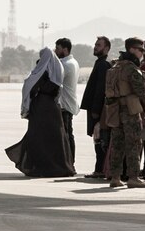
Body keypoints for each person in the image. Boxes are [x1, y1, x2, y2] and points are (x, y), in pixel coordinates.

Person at [6, 46, 74, 178]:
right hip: (52, 108)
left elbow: (32, 86)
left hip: (41, 107)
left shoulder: (42, 70)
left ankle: (40, 166)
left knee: (38, 137)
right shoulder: (56, 70)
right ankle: (57, 166)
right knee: (53, 138)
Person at [101, 37, 145, 189]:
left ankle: (115, 177)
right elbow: (142, 92)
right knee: (134, 143)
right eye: (140, 49)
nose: (142, 53)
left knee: (117, 144)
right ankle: (133, 177)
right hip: (130, 110)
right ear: (132, 49)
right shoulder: (131, 68)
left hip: (115, 110)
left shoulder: (115, 67)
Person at [80, 36, 111, 179]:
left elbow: (100, 89)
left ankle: (100, 169)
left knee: (100, 139)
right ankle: (100, 168)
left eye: (98, 45)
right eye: (95, 44)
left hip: (97, 110)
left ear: (106, 48)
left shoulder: (103, 65)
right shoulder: (100, 63)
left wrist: (96, 111)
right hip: (95, 109)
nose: (95, 47)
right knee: (98, 138)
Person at [55, 38, 81, 175]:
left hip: (64, 105)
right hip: (68, 103)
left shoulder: (65, 64)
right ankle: (70, 163)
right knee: (68, 134)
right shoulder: (73, 62)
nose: (56, 51)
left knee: (65, 136)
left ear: (65, 49)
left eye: (58, 48)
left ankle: (69, 164)